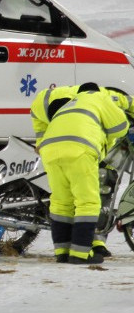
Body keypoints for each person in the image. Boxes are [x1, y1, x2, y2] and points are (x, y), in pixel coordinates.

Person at [35, 85, 134, 264]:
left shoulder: (71, 102)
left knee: (61, 202)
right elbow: (120, 126)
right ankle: (81, 254)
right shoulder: (101, 97)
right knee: (87, 201)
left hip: (50, 149)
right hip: (79, 150)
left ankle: (62, 252)